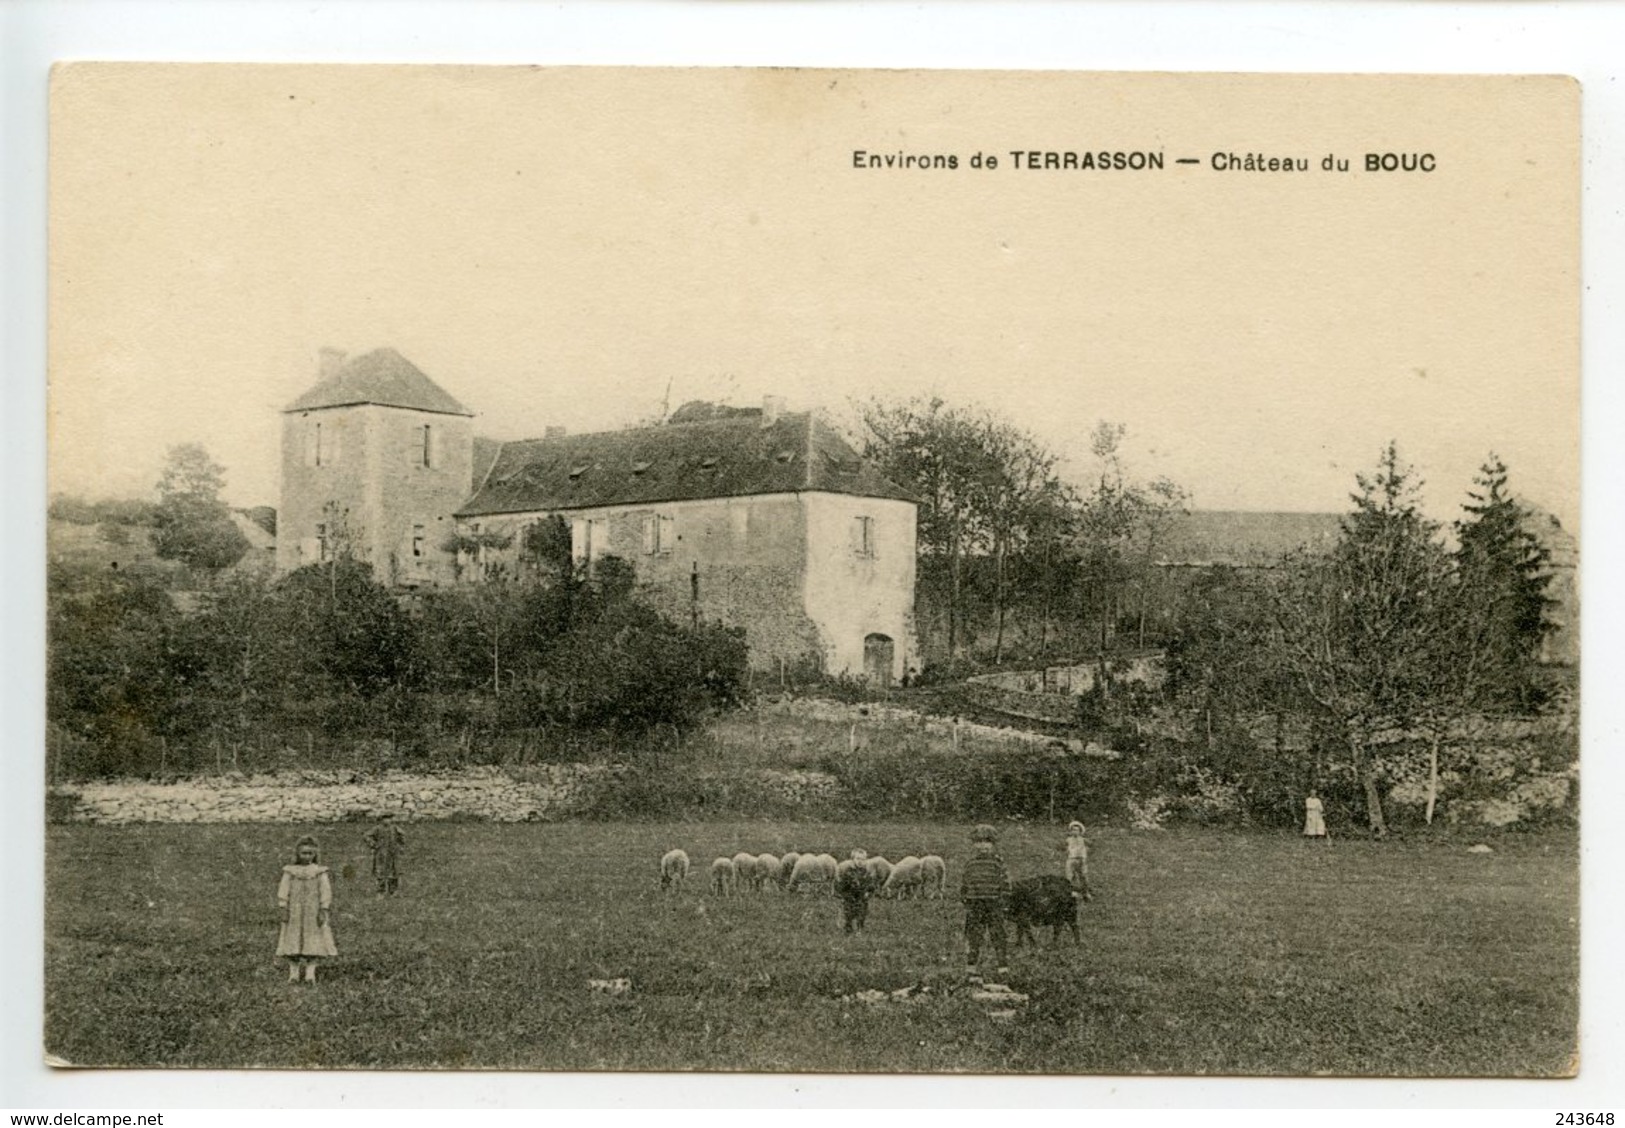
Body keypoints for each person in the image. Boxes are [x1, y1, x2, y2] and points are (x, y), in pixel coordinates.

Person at [277, 835, 338, 983]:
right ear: (297, 854)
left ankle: (310, 974)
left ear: (315, 854)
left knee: (313, 941)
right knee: (293, 941)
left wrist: (324, 909)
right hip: (295, 912)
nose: (307, 856)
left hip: (313, 911)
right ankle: (294, 974)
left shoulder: (319, 872)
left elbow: (325, 891)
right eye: (303, 853)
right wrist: (283, 906)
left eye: (310, 853)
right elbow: (283, 890)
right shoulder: (290, 871)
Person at [960, 824, 1012, 976]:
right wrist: (965, 897)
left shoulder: (998, 863)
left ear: (993, 844)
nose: (983, 846)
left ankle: (1003, 966)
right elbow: (965, 882)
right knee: (974, 935)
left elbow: (1005, 883)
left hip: (994, 903)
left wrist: (1004, 900)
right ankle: (971, 967)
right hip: (975, 904)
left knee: (998, 934)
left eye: (987, 842)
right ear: (974, 844)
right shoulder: (970, 864)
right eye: (979, 842)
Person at [834, 848, 876, 934]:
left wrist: (868, 892)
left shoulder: (867, 870)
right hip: (849, 894)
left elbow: (870, 883)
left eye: (863, 859)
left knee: (862, 911)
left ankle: (859, 928)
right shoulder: (846, 869)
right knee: (848, 912)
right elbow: (840, 883)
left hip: (861, 894)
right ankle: (847, 929)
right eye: (858, 859)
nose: (860, 862)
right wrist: (844, 894)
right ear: (853, 859)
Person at [365, 812, 406, 895]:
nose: (387, 821)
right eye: (385, 819)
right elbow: (366, 835)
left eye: (389, 818)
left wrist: (400, 845)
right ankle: (381, 891)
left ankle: (393, 891)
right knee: (380, 872)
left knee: (394, 871)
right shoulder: (377, 828)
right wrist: (373, 844)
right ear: (381, 820)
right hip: (381, 853)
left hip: (393, 853)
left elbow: (402, 836)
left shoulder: (394, 828)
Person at [1064, 820, 1093, 901]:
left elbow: (1091, 845)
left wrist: (1085, 854)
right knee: (1069, 876)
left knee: (1083, 876)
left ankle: (1086, 893)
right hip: (1071, 859)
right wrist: (1067, 851)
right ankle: (1071, 892)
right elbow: (1063, 847)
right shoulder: (1069, 840)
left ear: (1080, 831)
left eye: (1076, 830)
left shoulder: (1083, 840)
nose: (1074, 832)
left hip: (1081, 859)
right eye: (1073, 830)